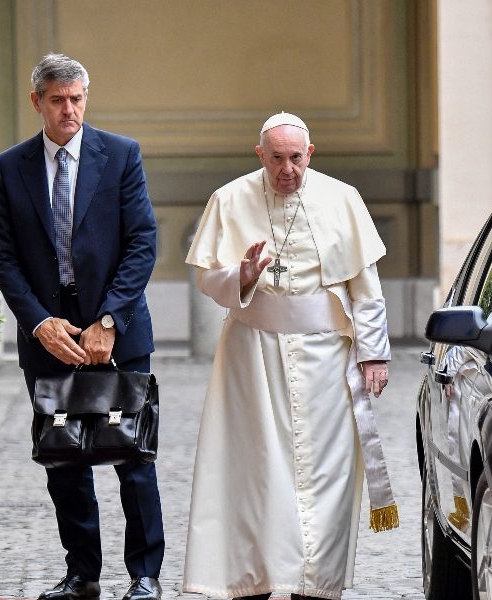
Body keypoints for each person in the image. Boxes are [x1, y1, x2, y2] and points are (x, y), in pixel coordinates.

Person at [182, 112, 399, 600]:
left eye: (296, 158)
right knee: (258, 475)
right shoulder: (230, 198)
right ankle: (259, 580)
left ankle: (315, 586)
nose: (287, 169)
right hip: (252, 361)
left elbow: (365, 288)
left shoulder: (342, 199)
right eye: (276, 158)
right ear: (260, 155)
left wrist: (374, 355)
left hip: (327, 363)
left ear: (310, 154)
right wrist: (240, 275)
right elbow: (205, 278)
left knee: (328, 478)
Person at [0, 53, 164, 600]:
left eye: (77, 99)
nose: (70, 110)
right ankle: (83, 573)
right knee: (64, 457)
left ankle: (145, 576)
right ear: (37, 102)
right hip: (49, 338)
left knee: (133, 455)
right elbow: (4, 255)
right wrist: (39, 324)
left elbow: (142, 242)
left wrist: (109, 319)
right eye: (59, 100)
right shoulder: (11, 165)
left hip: (117, 333)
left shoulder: (120, 155)